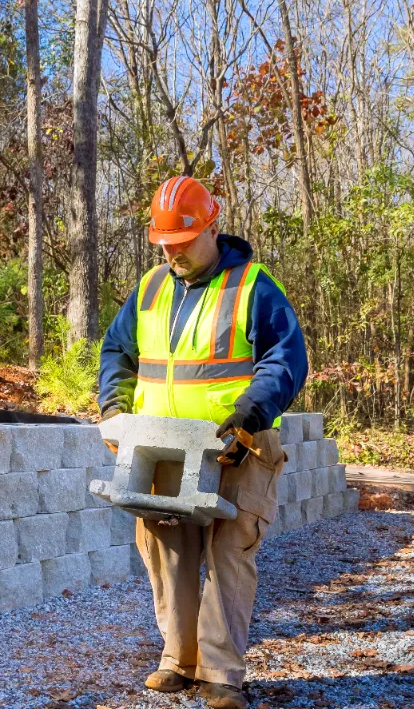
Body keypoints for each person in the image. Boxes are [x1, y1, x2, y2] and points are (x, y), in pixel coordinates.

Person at [98, 176, 308, 709]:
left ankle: (220, 672)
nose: (172, 253)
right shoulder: (149, 288)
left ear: (212, 227)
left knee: (228, 552)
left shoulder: (253, 286)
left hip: (238, 443)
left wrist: (251, 412)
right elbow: (117, 354)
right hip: (162, 445)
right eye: (163, 243)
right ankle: (178, 659)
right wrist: (115, 411)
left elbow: (285, 359)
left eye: (182, 242)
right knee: (167, 550)